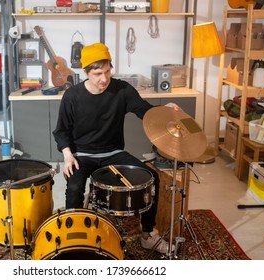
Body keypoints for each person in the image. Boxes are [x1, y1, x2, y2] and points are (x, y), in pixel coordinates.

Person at [53, 42, 178, 254]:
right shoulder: (72, 96)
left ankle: (148, 234)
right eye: (98, 73)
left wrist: (163, 110)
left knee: (152, 177)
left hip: (113, 153)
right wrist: (67, 155)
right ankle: (71, 239)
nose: (104, 79)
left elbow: (144, 111)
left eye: (108, 71)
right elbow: (61, 131)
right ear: (86, 72)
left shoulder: (122, 89)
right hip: (82, 155)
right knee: (74, 189)